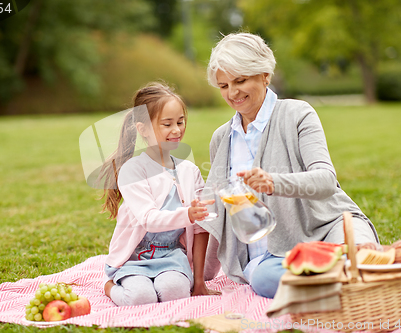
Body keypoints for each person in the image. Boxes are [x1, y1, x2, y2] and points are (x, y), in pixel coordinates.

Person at [198, 32, 380, 298]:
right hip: (273, 256)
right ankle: (355, 287)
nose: (232, 92)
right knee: (263, 279)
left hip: (329, 228)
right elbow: (220, 213)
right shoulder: (221, 139)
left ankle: (361, 282)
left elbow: (326, 181)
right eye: (224, 86)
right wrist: (200, 278)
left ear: (265, 76)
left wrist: (273, 182)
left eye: (240, 80)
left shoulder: (298, 114)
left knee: (363, 256)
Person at [98, 82, 217, 307]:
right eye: (167, 124)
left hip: (172, 257)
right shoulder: (133, 171)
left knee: (175, 293)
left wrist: (199, 281)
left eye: (180, 122)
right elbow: (149, 220)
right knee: (141, 298)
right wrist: (189, 214)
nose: (177, 130)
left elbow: (201, 228)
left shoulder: (190, 171)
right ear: (143, 129)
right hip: (134, 259)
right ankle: (110, 286)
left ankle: (176, 280)